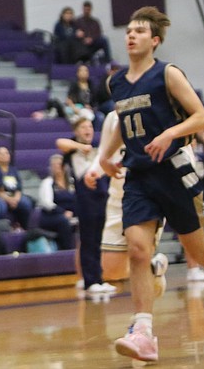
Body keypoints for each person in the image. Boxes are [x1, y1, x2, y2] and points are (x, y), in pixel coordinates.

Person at [86, 6, 204, 362]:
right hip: (138, 175)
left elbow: (201, 115)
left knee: (198, 254)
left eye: (139, 31)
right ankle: (143, 332)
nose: (131, 35)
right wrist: (105, 156)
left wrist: (170, 132)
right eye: (128, 31)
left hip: (174, 171)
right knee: (137, 249)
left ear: (154, 40)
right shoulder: (116, 82)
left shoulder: (167, 74)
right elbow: (125, 122)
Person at [60, 114, 122, 295]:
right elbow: (60, 142)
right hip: (84, 197)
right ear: (76, 131)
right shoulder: (73, 150)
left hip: (102, 194)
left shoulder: (98, 150)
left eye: (89, 127)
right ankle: (89, 280)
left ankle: (99, 278)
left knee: (98, 239)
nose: (87, 130)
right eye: (82, 127)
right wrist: (82, 147)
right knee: (88, 239)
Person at [0, 146, 34, 227]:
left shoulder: (13, 170)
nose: (4, 155)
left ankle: (25, 228)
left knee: (26, 203)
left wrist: (16, 199)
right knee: (1, 206)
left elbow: (18, 187)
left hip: (14, 195)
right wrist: (9, 200)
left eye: (6, 153)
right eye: (1, 154)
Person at [37, 154, 76, 251]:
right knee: (63, 221)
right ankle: (67, 250)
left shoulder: (71, 182)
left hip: (72, 214)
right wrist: (63, 212)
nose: (57, 166)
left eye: (60, 164)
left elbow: (78, 200)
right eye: (54, 165)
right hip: (51, 216)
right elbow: (47, 203)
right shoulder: (48, 183)